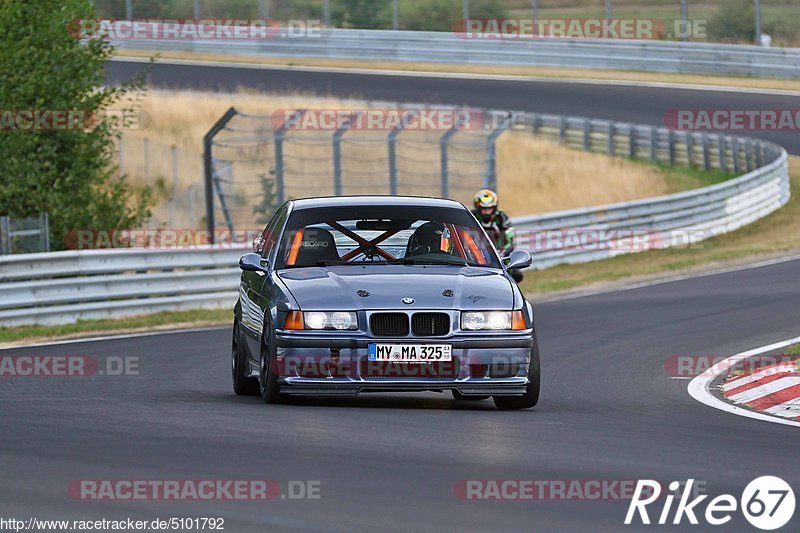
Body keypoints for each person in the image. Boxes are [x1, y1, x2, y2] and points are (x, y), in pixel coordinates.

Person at [472, 189, 523, 282]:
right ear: (478, 208)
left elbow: (509, 239)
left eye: (489, 208)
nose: (487, 212)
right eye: (484, 209)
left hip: (498, 253)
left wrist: (500, 254)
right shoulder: (471, 217)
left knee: (517, 274)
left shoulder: (502, 218)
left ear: (494, 207)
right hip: (474, 253)